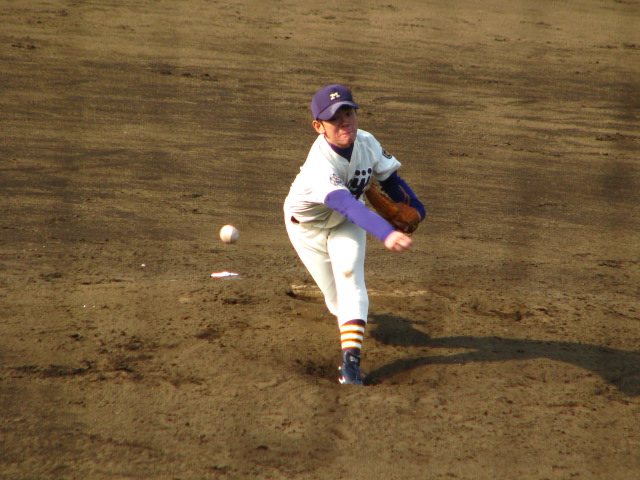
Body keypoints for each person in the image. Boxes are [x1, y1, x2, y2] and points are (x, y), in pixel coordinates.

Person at [283, 84, 425, 386]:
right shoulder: (319, 164)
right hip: (306, 230)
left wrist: (418, 209)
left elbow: (392, 180)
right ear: (319, 126)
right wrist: (385, 232)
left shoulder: (367, 142)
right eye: (335, 118)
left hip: (347, 224)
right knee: (335, 302)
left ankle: (350, 365)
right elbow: (344, 203)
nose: (344, 121)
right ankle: (350, 326)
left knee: (350, 278)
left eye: (349, 113)